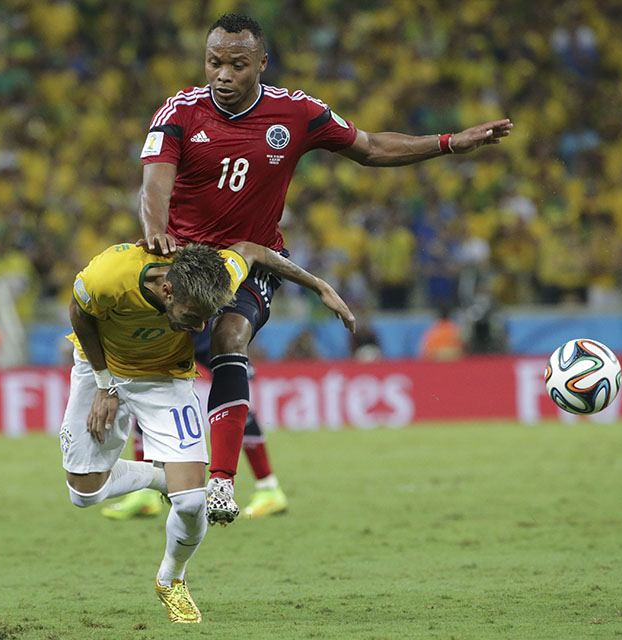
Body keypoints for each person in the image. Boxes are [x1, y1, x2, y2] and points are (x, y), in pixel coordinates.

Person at [138, 13, 513, 525]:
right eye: (213, 62)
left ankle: (222, 482)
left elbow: (371, 148)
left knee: (230, 338)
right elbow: (154, 187)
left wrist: (449, 143)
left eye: (237, 65)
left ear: (262, 64)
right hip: (188, 265)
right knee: (149, 361)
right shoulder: (180, 111)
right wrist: (156, 235)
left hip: (255, 261)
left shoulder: (297, 112)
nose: (222, 75)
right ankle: (148, 472)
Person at [59, 240, 353, 623]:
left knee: (192, 504)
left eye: (206, 319)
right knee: (84, 492)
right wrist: (103, 385)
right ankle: (167, 478)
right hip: (101, 371)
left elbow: (254, 251)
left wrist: (320, 286)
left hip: (165, 379)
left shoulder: (220, 273)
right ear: (167, 289)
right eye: (193, 316)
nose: (200, 328)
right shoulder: (109, 275)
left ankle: (171, 579)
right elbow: (79, 313)